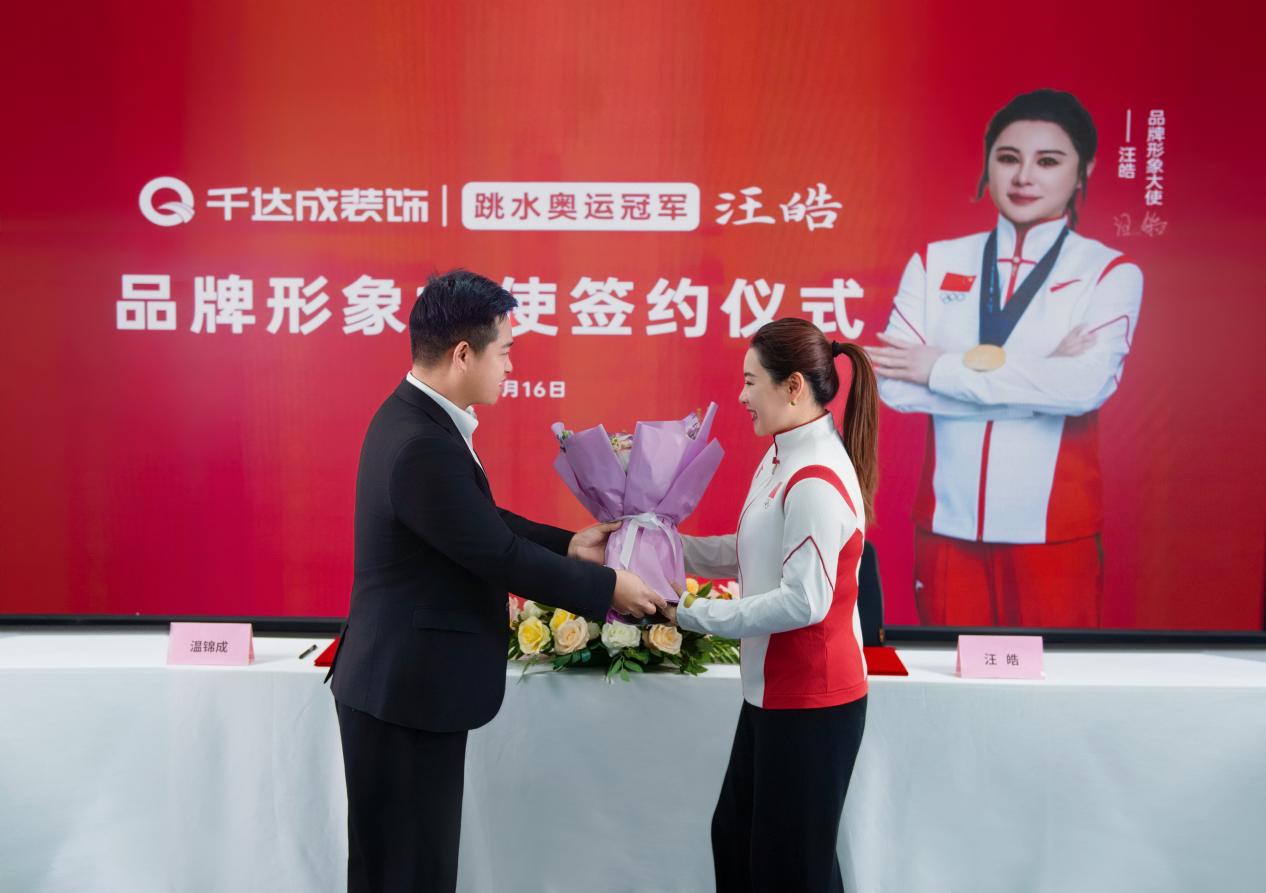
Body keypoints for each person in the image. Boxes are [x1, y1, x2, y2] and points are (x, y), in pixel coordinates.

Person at [327, 270, 666, 892]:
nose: (510, 365)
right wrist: (606, 588)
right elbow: (498, 555)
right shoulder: (421, 442)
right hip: (403, 694)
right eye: (505, 351)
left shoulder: (417, 419)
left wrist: (569, 543)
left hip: (402, 687)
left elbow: (474, 521)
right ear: (464, 354)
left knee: (406, 870)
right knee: (407, 875)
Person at [866, 88, 1143, 628]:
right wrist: (1040, 380)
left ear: (1083, 170)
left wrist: (940, 368)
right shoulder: (935, 260)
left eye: (1048, 161)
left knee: (1055, 678)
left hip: (1054, 530)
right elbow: (894, 384)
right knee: (949, 674)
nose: (1024, 177)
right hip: (947, 524)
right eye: (1009, 158)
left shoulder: (1109, 272)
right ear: (988, 163)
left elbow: (1084, 387)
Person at [664, 317, 878, 892]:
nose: (741, 396)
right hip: (772, 694)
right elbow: (749, 550)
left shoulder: (814, 478)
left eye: (750, 381)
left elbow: (804, 602)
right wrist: (663, 547)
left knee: (789, 871)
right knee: (739, 842)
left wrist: (689, 614)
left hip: (810, 701)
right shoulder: (783, 455)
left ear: (793, 387)